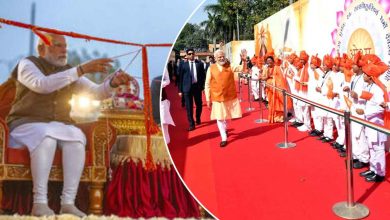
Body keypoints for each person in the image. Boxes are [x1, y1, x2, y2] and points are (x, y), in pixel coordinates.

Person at [6, 33, 131, 217]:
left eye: (65, 46)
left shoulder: (69, 71)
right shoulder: (28, 64)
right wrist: (80, 70)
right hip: (27, 123)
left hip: (59, 125)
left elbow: (96, 93)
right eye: (57, 45)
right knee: (46, 137)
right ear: (42, 49)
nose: (64, 50)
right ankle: (39, 202)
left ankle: (68, 202)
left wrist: (112, 83)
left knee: (76, 139)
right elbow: (43, 85)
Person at [357, 54, 389, 182]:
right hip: (369, 122)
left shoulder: (377, 89)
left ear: (370, 77)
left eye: (364, 74)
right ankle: (373, 168)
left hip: (376, 123)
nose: (363, 75)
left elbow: (381, 108)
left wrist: (364, 111)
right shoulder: (369, 86)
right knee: (371, 146)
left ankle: (380, 173)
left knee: (378, 148)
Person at [205, 49, 242, 147]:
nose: (221, 58)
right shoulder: (211, 68)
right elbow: (207, 84)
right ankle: (224, 137)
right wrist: (208, 99)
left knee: (226, 116)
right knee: (219, 117)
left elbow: (241, 68)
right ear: (215, 58)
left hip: (229, 96)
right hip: (216, 96)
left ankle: (225, 129)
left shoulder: (230, 65)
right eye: (219, 57)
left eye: (222, 56)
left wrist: (244, 60)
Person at [178, 48, 206, 131]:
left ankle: (198, 118)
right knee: (189, 107)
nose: (191, 55)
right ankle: (191, 124)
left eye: (192, 53)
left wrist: (203, 87)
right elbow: (180, 78)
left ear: (194, 54)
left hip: (197, 87)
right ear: (187, 55)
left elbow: (202, 76)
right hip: (187, 88)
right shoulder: (183, 65)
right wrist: (180, 90)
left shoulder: (199, 64)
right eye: (189, 54)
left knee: (199, 105)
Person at [260, 55, 292, 123]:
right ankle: (273, 117)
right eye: (267, 61)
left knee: (278, 102)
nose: (269, 62)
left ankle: (279, 117)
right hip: (269, 88)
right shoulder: (266, 68)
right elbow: (264, 77)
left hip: (277, 88)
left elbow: (280, 78)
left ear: (273, 61)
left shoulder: (277, 68)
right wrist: (261, 76)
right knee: (271, 103)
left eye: (270, 61)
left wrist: (274, 80)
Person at [161, 67, 175, 144]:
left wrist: (161, 84)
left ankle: (166, 140)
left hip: (162, 98)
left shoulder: (164, 68)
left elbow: (168, 80)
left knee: (164, 120)